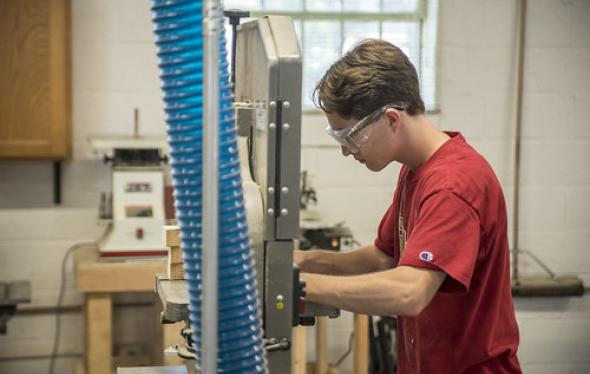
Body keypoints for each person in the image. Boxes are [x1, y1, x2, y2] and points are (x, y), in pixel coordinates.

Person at [295, 39, 521, 373]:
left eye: (350, 137)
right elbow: (381, 257)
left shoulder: (453, 185)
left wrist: (298, 287)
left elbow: (409, 293)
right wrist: (304, 261)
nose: (346, 151)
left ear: (390, 119)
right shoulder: (416, 169)